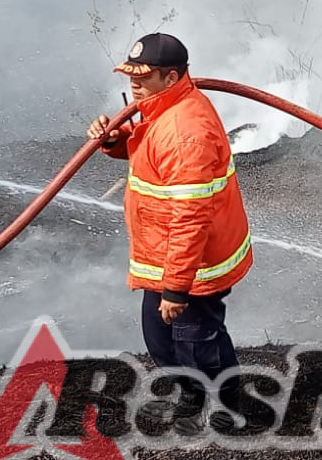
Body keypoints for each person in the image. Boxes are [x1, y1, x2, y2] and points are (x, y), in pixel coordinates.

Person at [88, 32, 254, 430]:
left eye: (143, 76)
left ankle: (237, 406)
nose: (133, 83)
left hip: (196, 265)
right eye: (130, 74)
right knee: (161, 337)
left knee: (198, 343)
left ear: (172, 76)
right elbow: (151, 150)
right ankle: (192, 396)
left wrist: (176, 288)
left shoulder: (186, 132)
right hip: (166, 257)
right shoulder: (162, 109)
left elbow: (190, 217)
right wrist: (115, 140)